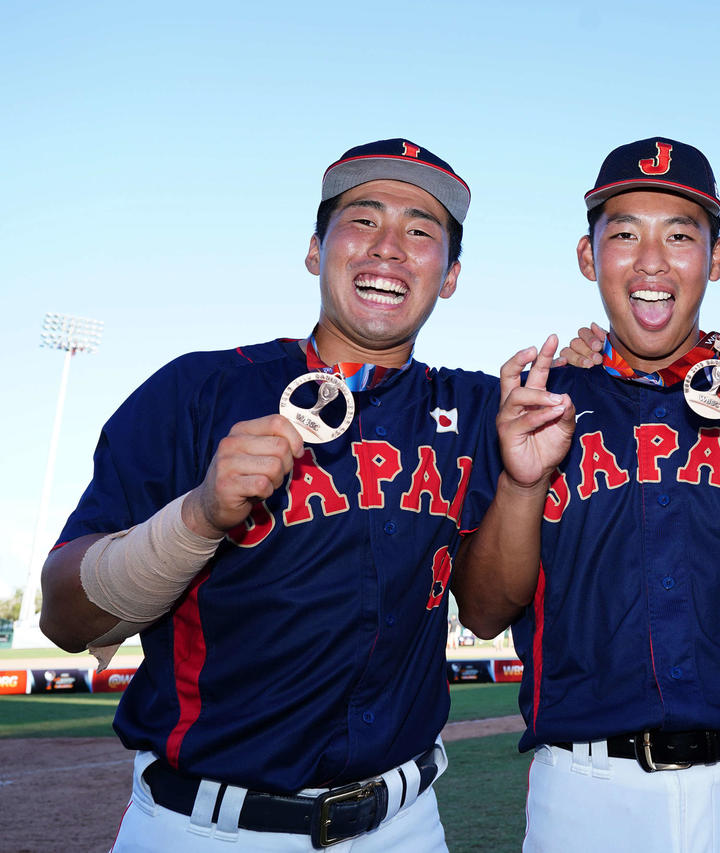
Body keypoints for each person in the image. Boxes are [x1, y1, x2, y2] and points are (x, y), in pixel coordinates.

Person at [38, 139, 496, 851]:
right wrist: (196, 518)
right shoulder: (198, 390)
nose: (388, 249)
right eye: (363, 220)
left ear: (452, 274)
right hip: (208, 828)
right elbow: (66, 614)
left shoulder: (477, 409)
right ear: (316, 250)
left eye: (419, 231)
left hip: (407, 825)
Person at [451, 137, 720, 852]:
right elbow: (484, 613)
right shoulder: (538, 402)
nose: (651, 261)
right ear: (588, 258)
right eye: (623, 234)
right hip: (584, 793)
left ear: (717, 257)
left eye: (680, 235)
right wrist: (523, 483)